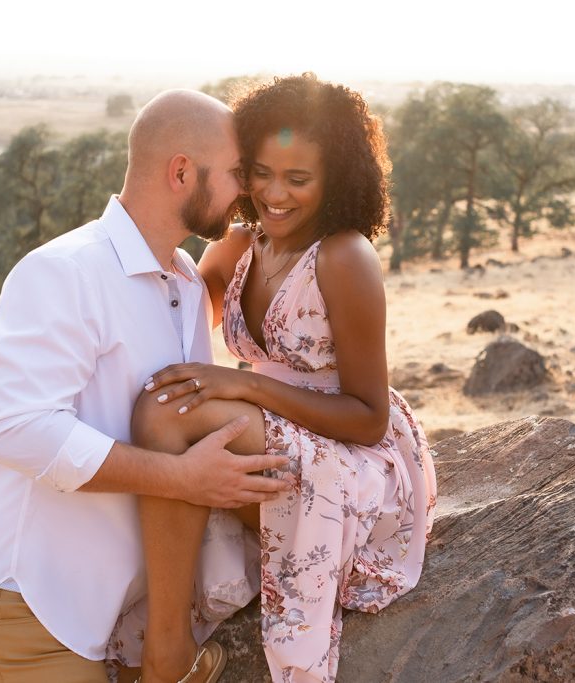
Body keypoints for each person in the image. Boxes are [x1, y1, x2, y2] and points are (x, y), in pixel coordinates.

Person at [0, 89, 292, 683]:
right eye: (238, 174)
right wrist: (181, 478)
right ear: (182, 172)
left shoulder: (183, 280)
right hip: (32, 606)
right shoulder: (64, 271)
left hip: (115, 617)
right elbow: (16, 430)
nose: (249, 192)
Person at [131, 74, 438, 683]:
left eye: (298, 179)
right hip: (273, 439)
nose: (275, 194)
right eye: (260, 173)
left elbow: (369, 417)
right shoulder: (240, 246)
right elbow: (169, 313)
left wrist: (247, 386)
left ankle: (165, 656)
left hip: (354, 460)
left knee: (170, 414)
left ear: (336, 181)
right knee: (159, 406)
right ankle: (166, 642)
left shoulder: (343, 257)